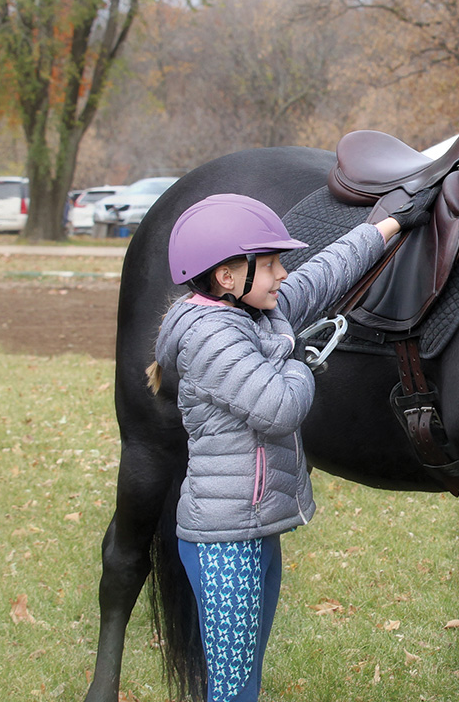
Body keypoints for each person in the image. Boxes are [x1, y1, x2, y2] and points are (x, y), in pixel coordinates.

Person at [148, 188, 438, 702]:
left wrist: (388, 226)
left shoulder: (257, 314)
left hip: (255, 527)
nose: (283, 273)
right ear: (227, 276)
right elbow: (281, 405)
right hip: (225, 541)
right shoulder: (211, 337)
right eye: (272, 262)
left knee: (245, 680)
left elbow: (324, 273)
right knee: (234, 690)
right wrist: (299, 357)